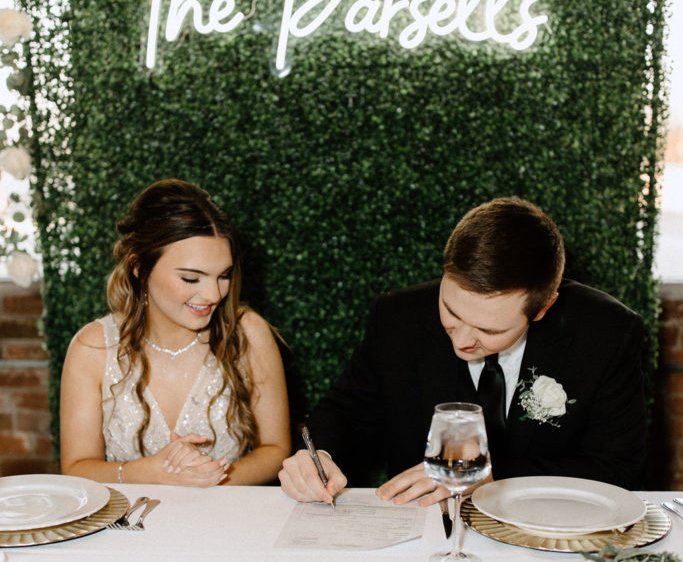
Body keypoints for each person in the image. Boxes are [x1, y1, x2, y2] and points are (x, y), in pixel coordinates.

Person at [279, 196, 647, 506]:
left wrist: (492, 478)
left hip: (547, 528)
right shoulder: (397, 317)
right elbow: (347, 411)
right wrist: (319, 456)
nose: (463, 340)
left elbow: (615, 467)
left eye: (490, 330)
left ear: (543, 307)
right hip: (421, 530)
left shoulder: (607, 334)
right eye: (451, 312)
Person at [61, 179, 290, 487]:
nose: (212, 294)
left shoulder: (248, 333)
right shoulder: (92, 348)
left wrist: (212, 480)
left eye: (223, 276)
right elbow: (76, 468)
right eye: (191, 279)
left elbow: (276, 450)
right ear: (139, 268)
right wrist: (148, 473)